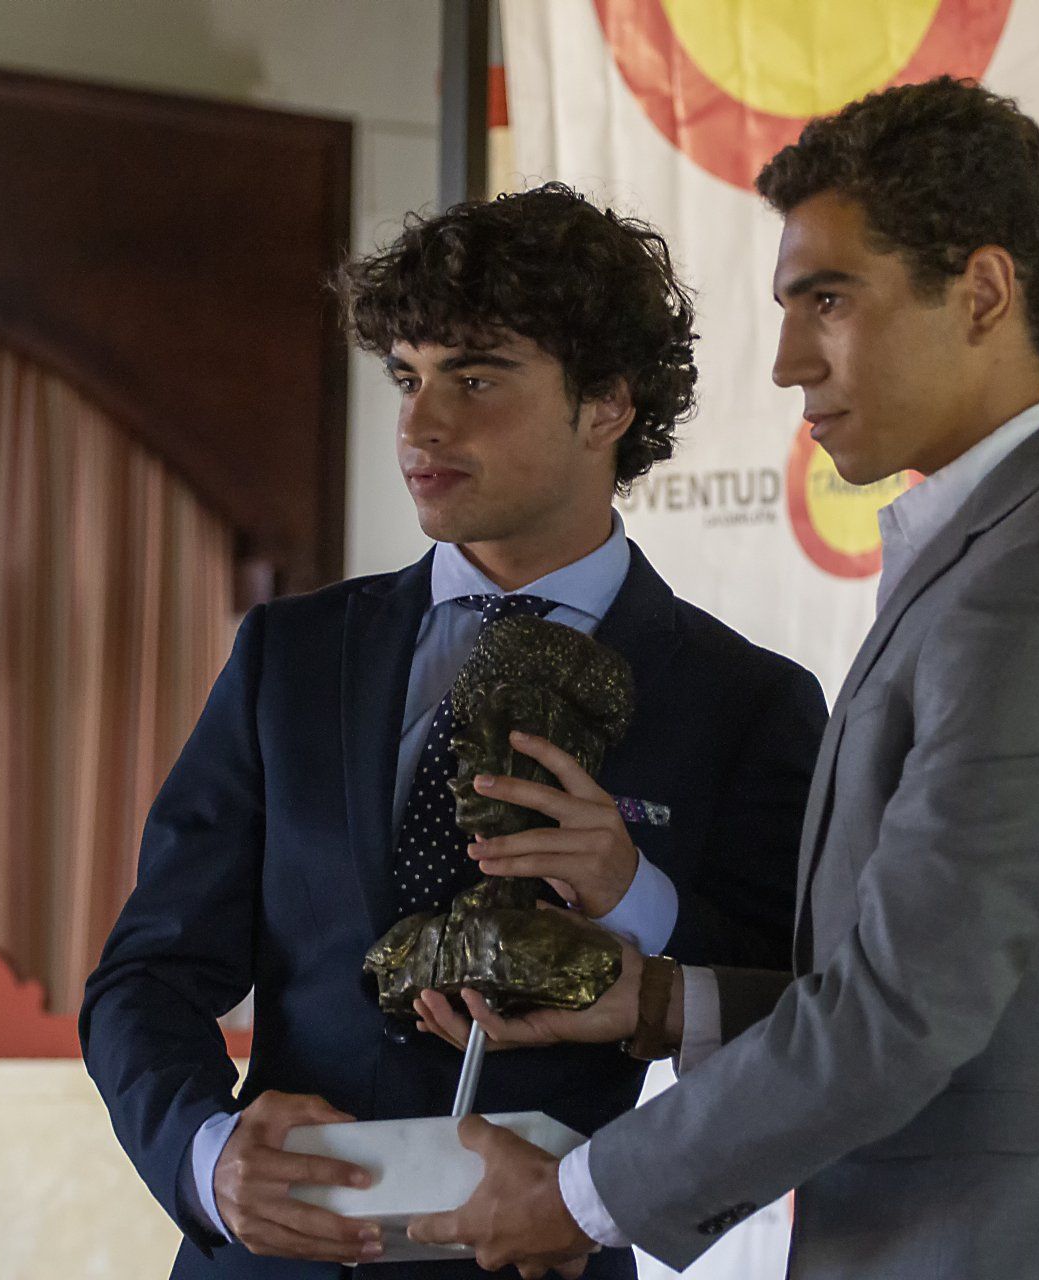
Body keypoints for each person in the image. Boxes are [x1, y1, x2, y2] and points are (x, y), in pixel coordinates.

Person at [410, 77, 1039, 1280]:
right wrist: (662, 1002)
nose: (790, 360)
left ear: (984, 293)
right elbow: (956, 997)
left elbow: (901, 1018)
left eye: (830, 301)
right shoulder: (1021, 541)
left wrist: (576, 1198)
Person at [79, 183, 828, 1280]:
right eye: (408, 378)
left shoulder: (745, 700)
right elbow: (145, 976)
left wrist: (636, 895)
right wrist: (207, 1157)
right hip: (273, 1259)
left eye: (475, 379)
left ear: (606, 405)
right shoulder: (291, 657)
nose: (421, 425)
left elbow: (805, 1027)